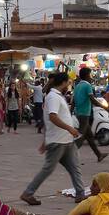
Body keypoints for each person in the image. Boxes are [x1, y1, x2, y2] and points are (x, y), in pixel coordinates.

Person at [20, 70, 83, 206]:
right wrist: (70, 128)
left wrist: (45, 140)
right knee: (48, 169)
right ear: (64, 83)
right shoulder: (53, 97)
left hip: (65, 140)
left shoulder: (57, 96)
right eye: (68, 83)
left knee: (74, 167)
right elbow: (52, 117)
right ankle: (28, 193)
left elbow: (49, 120)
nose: (69, 85)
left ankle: (80, 193)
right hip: (59, 141)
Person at [71, 66, 106, 161]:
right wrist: (104, 107)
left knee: (89, 136)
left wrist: (71, 110)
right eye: (90, 75)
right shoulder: (87, 85)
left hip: (79, 113)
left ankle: (99, 155)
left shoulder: (78, 85)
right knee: (81, 136)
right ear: (87, 76)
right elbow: (92, 99)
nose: (91, 77)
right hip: (85, 113)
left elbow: (73, 100)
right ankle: (69, 153)